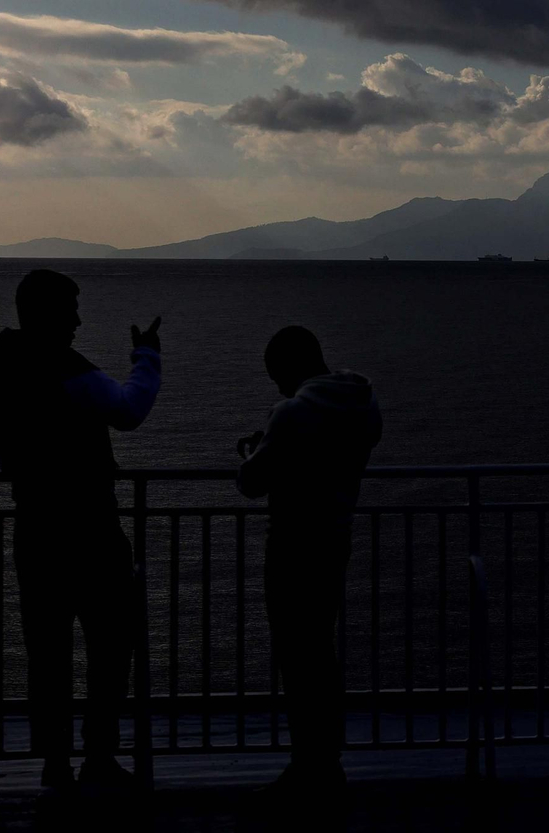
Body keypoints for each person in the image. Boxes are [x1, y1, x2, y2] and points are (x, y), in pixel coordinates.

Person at [0, 268, 162, 796]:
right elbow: (128, 410)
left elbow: (3, 449)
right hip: (90, 529)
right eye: (71, 310)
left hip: (35, 527)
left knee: (47, 653)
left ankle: (55, 762)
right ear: (49, 313)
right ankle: (99, 756)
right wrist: (146, 357)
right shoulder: (63, 367)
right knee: (111, 644)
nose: (78, 320)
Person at [236, 326, 382, 803]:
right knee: (320, 653)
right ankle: (327, 763)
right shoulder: (363, 403)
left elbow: (252, 482)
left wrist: (255, 450)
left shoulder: (292, 412)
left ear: (290, 366)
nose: (278, 386)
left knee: (298, 660)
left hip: (293, 547)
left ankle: (306, 768)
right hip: (336, 539)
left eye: (277, 375)